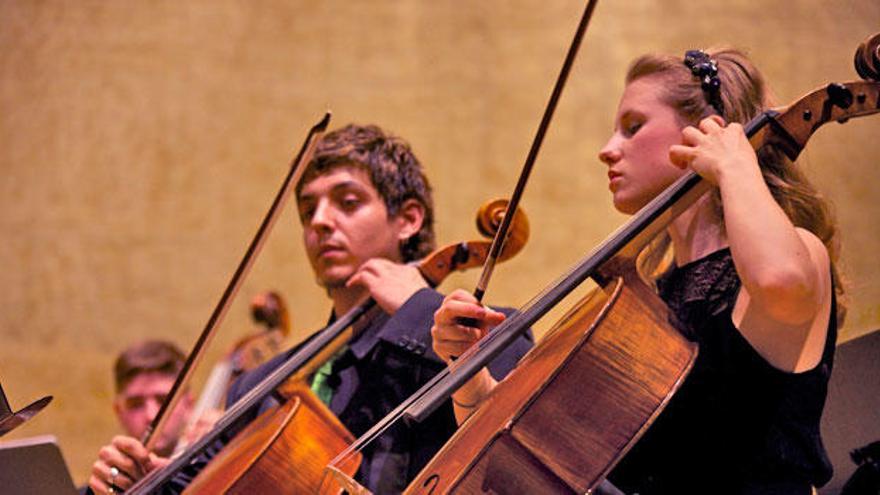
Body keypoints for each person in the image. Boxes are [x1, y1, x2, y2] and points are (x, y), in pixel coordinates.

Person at [432, 47, 842, 494]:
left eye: (633, 127)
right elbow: (526, 451)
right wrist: (470, 374)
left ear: (706, 133)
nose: (607, 151)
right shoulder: (651, 300)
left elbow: (780, 281)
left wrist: (734, 163)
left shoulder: (798, 254)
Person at [88, 124, 532, 494]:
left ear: (408, 220)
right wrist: (147, 481)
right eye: (308, 209)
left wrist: (418, 306)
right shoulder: (260, 384)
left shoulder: (479, 332)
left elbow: (514, 433)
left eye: (348, 202)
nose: (320, 221)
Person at [86, 340, 195, 494]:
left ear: (189, 404)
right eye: (136, 404)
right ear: (119, 412)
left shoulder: (211, 469)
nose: (151, 416)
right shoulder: (102, 488)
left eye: (164, 401)